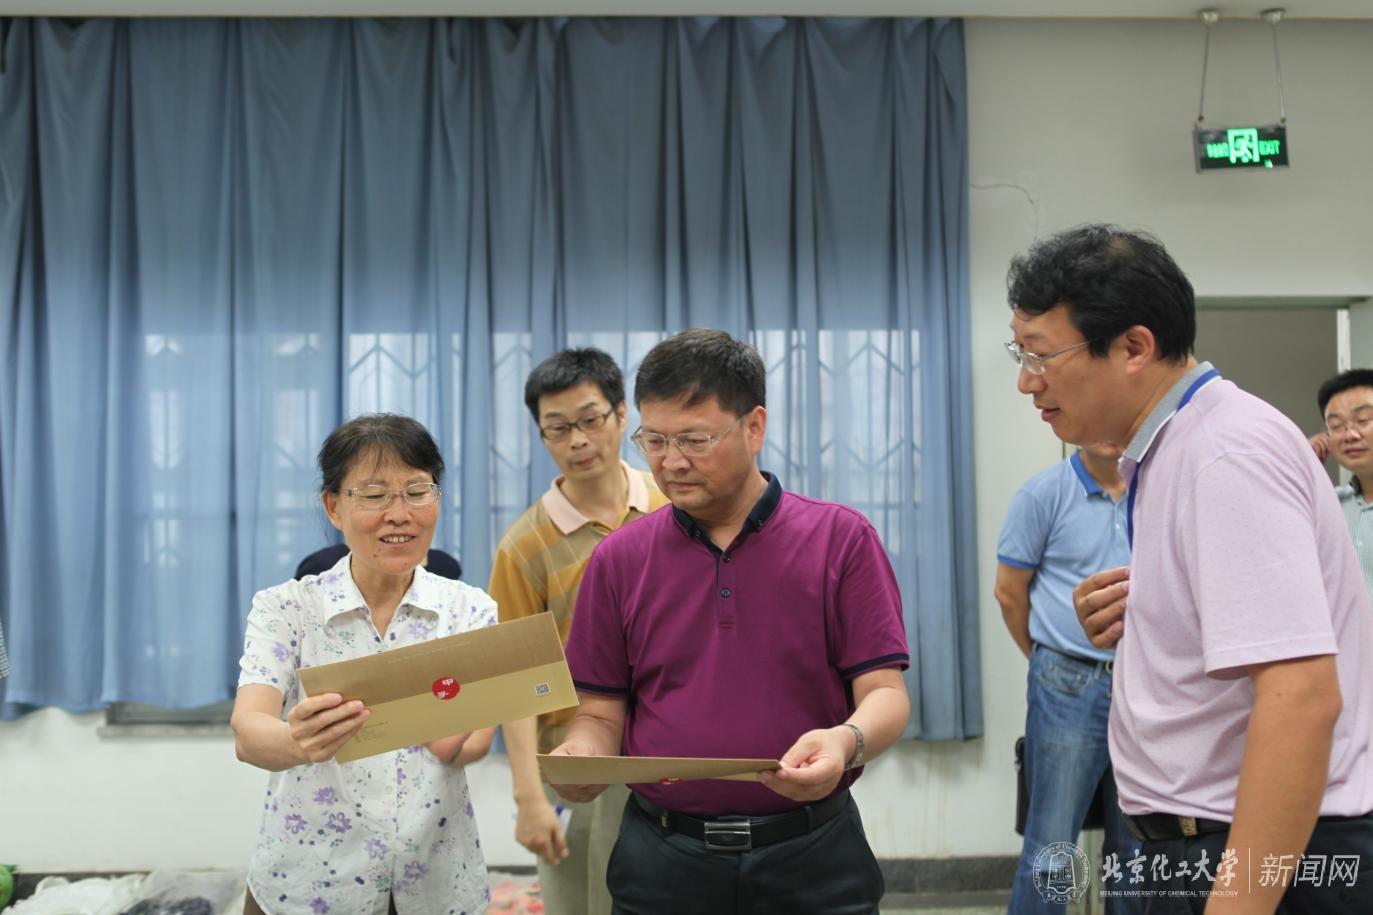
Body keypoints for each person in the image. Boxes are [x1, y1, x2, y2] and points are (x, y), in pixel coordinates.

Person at [1007, 225, 1373, 914]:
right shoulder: (1174, 446)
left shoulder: (1223, 454)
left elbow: (1301, 698)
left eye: (1040, 354)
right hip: (1198, 841)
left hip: (1253, 855)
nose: (1027, 380)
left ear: (1133, 347)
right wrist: (1152, 616)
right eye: (1019, 354)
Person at [548, 328, 911, 915]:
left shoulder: (841, 540)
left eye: (694, 439)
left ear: (754, 427)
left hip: (813, 853)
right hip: (663, 858)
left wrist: (846, 743)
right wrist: (581, 757)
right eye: (654, 440)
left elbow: (886, 695)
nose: (671, 462)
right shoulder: (620, 559)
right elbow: (599, 712)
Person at [231, 414, 496, 915]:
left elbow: (473, 742)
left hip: (434, 880)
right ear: (333, 506)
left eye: (417, 492)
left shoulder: (470, 611)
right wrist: (297, 741)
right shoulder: (286, 608)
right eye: (374, 495)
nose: (399, 514)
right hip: (310, 884)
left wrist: (459, 733)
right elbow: (249, 733)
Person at [489, 348, 670, 914]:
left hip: (671, 753)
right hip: (576, 765)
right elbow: (515, 681)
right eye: (558, 428)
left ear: (622, 415)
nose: (578, 440)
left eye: (591, 419)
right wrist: (528, 795)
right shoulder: (524, 546)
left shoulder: (673, 505)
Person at [997, 443, 1140, 914]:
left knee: (1137, 850)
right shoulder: (1043, 493)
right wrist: (1049, 662)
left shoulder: (1153, 487)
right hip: (1067, 685)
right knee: (1052, 850)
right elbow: (1009, 593)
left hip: (1144, 687)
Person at [1310, 370, 1373, 599]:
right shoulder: (1326, 505)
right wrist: (1303, 466)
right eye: (1336, 425)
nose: (1350, 435)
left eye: (1363, 420)